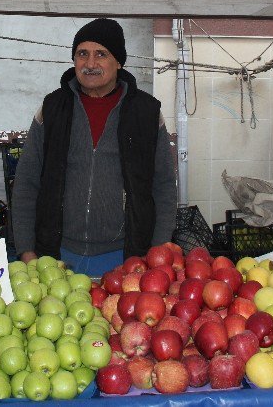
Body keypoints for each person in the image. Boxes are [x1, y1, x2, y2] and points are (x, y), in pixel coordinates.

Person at [10, 18, 178, 276]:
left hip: (126, 257)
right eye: (82, 54)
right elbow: (26, 181)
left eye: (101, 54)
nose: (90, 64)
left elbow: (164, 185)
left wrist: (158, 252)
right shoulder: (52, 109)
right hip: (56, 255)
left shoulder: (146, 112)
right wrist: (26, 250)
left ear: (119, 62)